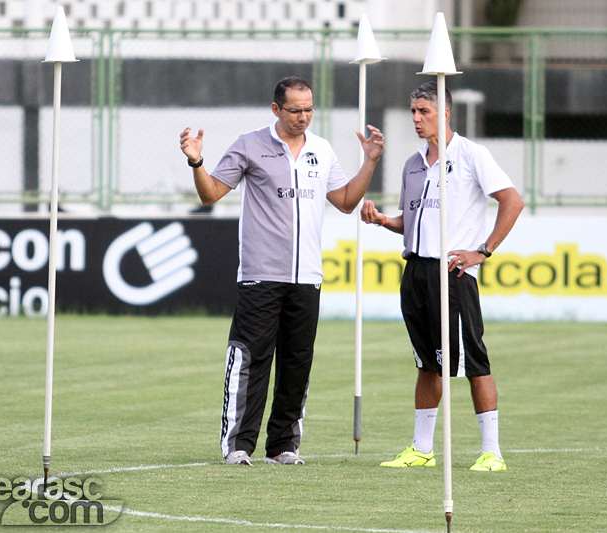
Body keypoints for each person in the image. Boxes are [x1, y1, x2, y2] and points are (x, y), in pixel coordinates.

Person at [180, 76, 384, 466]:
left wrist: (370, 161)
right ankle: (238, 445)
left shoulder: (322, 150)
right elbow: (210, 194)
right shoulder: (249, 145)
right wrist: (196, 161)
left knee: (297, 363)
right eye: (295, 110)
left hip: (307, 276)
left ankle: (284, 445)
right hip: (260, 274)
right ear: (276, 109)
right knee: (251, 360)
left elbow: (345, 201)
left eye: (309, 109)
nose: (303, 117)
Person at [360, 81, 523, 472]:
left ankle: (492, 452)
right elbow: (411, 221)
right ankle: (421, 449)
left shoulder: (471, 155)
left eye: (424, 112)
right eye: (413, 111)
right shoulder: (412, 164)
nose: (416, 118)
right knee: (426, 363)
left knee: (471, 362)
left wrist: (481, 251)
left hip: (453, 273)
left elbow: (512, 201)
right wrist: (383, 220)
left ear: (444, 112)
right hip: (415, 270)